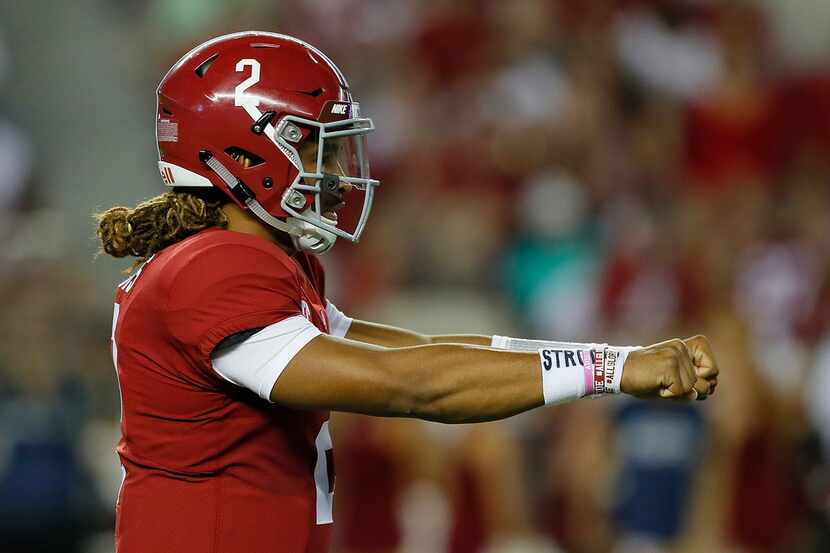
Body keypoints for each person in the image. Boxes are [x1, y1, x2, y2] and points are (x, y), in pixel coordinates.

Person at [95, 32, 719, 553]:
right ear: (244, 151)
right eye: (315, 149)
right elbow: (413, 385)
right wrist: (613, 370)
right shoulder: (213, 269)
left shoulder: (255, 263)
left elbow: (426, 350)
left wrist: (612, 359)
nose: (336, 175)